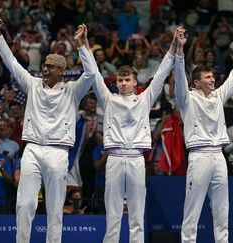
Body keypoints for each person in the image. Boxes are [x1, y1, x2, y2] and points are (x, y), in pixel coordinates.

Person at [0, 17, 96, 243]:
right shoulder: (32, 84)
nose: (45, 68)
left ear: (61, 70)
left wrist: (82, 44)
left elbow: (90, 75)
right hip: (32, 150)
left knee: (55, 209)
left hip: (58, 153)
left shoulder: (72, 91)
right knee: (24, 203)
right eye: (45, 65)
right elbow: (12, 63)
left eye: (50, 66)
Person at [90, 26, 181, 243]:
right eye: (120, 80)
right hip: (113, 158)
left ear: (135, 82)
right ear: (116, 82)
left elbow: (160, 76)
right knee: (112, 213)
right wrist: (84, 44)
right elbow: (93, 72)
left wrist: (174, 46)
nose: (122, 83)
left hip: (136, 159)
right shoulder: (108, 99)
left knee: (137, 212)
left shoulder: (144, 99)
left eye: (126, 80)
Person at [174, 23, 233, 243]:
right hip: (198, 156)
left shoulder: (218, 96)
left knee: (222, 209)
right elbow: (180, 78)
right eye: (207, 77)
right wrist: (179, 51)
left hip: (219, 156)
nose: (212, 79)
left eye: (212, 77)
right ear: (196, 82)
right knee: (192, 210)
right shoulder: (187, 98)